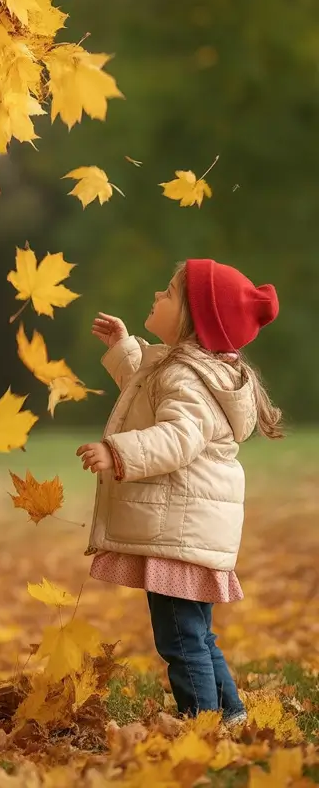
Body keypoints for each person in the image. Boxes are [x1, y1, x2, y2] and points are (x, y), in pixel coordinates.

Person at [77, 259, 281, 725]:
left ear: (193, 318)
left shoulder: (186, 376)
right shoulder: (189, 369)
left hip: (180, 527)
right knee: (197, 634)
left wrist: (119, 453)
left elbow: (178, 436)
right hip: (190, 526)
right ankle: (230, 715)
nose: (156, 296)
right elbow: (145, 387)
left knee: (180, 637)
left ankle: (201, 722)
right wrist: (124, 347)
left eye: (168, 293)